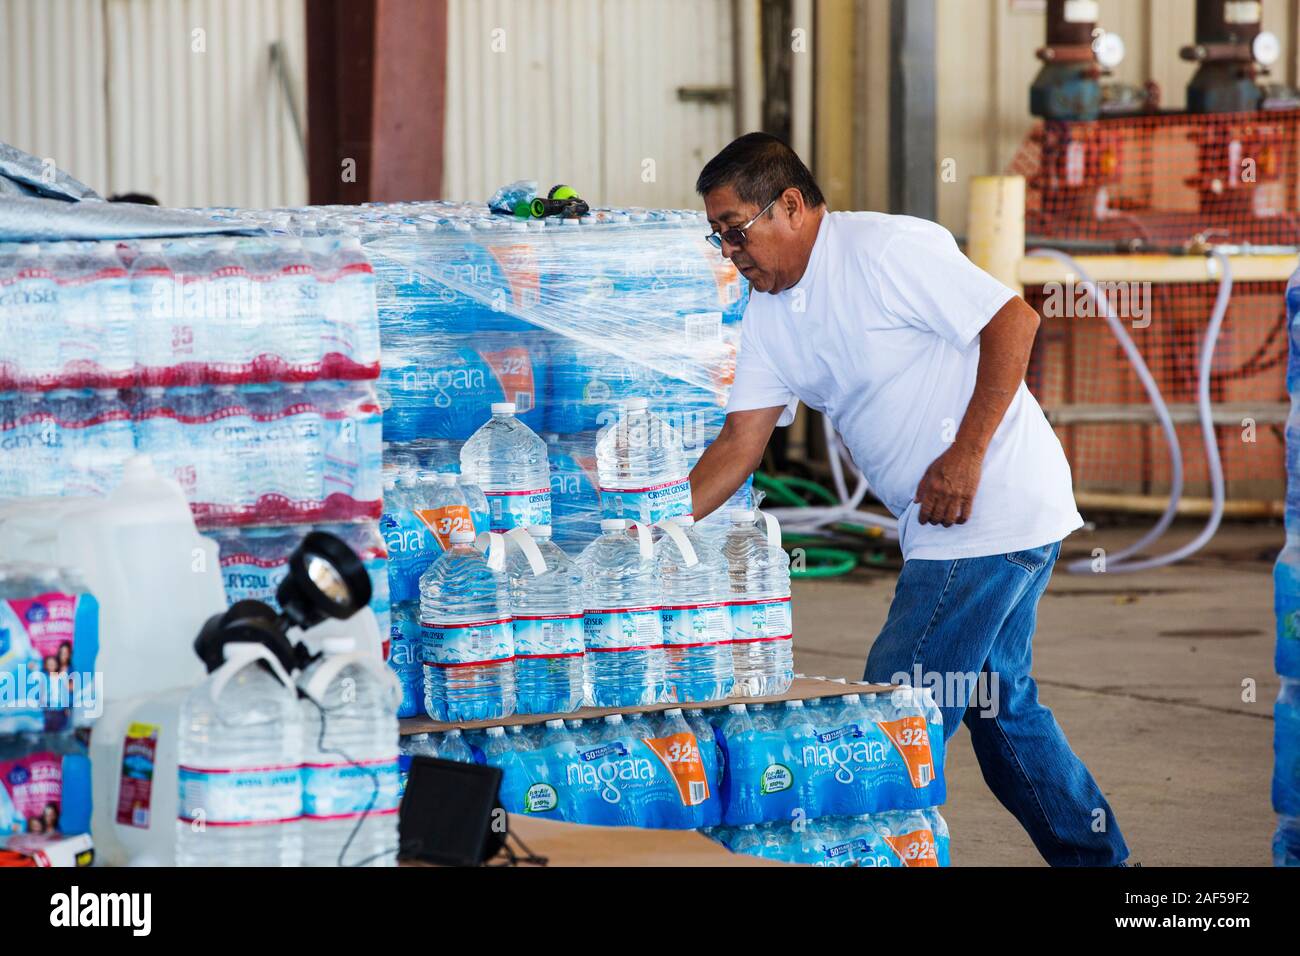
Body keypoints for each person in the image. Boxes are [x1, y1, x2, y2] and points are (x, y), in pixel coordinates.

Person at [688, 132, 1128, 867]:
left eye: (736, 231)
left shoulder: (883, 250)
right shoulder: (765, 315)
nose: (731, 252)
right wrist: (648, 526)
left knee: (890, 716)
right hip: (951, 524)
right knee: (1002, 712)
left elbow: (1013, 321)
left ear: (790, 205)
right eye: (719, 238)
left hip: (987, 510)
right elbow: (740, 443)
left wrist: (966, 454)